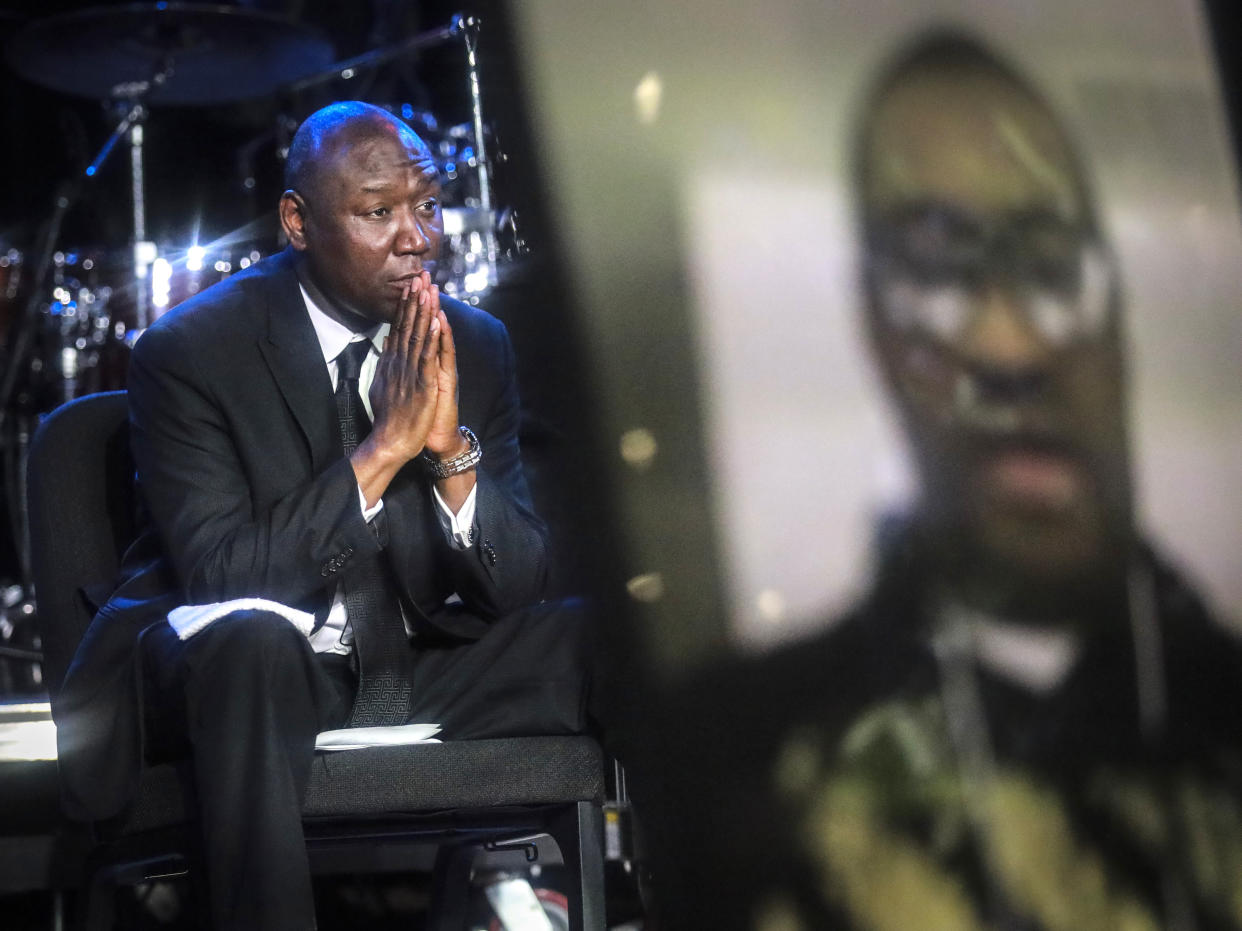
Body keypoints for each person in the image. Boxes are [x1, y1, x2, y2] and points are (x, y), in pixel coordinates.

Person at [657, 33, 1242, 930]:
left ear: (1118, 316)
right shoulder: (732, 758)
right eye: (934, 269)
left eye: (1050, 264)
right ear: (878, 339)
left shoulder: (1216, 704)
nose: (1009, 345)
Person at [52, 101, 587, 930]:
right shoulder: (190, 351)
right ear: (298, 222)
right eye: (379, 212)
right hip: (238, 676)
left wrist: (448, 453)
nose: (418, 237)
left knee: (616, 634)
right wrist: (385, 448)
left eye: (428, 205)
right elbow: (223, 576)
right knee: (253, 641)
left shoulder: (474, 343)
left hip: (405, 667)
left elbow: (516, 586)